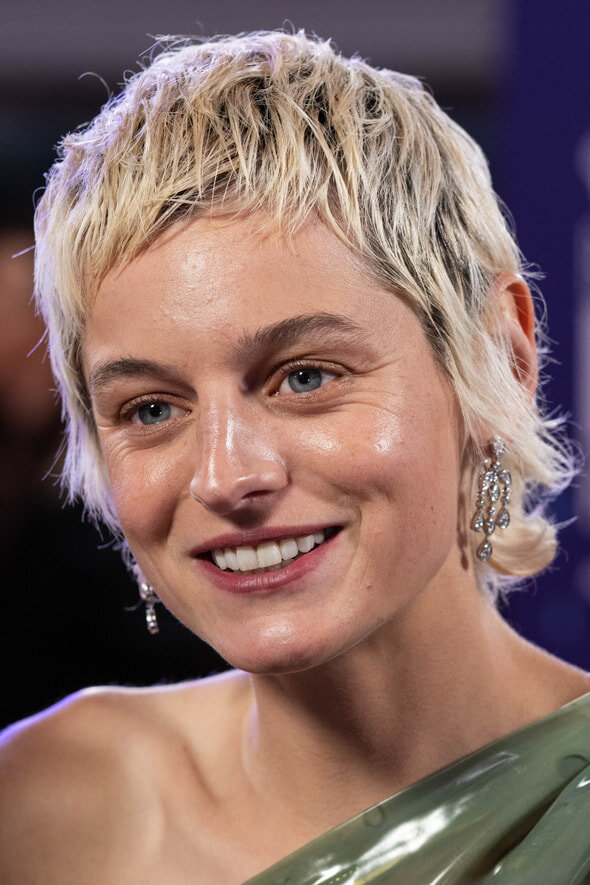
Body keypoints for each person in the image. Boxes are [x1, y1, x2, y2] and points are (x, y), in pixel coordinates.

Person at [2, 30, 590, 884]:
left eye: (305, 376)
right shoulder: (46, 808)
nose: (226, 476)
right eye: (152, 408)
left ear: (501, 356)